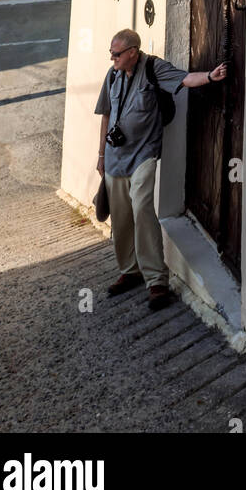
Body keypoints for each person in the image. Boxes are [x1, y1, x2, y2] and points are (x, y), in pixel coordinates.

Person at [95, 29, 226, 311]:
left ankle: (156, 280)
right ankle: (130, 271)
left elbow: (184, 78)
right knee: (120, 217)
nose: (112, 57)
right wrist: (101, 154)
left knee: (142, 207)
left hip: (144, 153)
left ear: (132, 52)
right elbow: (106, 113)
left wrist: (210, 76)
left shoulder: (154, 68)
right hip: (115, 157)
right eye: (111, 52)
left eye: (116, 53)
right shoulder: (113, 75)